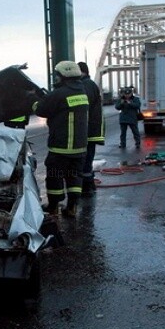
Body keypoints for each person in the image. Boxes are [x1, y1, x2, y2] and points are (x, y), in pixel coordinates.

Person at [32, 60, 89, 217]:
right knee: (74, 177)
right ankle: (72, 207)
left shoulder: (59, 93)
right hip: (79, 146)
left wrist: (37, 102)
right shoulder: (82, 91)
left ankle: (53, 208)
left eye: (57, 75)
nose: (55, 78)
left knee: (55, 176)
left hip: (61, 146)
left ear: (63, 75)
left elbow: (41, 110)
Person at [77, 62, 104, 196]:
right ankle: (89, 185)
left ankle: (86, 188)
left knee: (85, 159)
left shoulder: (86, 85)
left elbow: (82, 107)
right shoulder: (89, 84)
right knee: (87, 158)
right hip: (90, 129)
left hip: (88, 130)